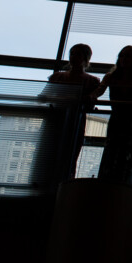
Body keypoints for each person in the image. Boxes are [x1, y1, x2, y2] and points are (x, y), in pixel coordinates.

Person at [92, 45, 132, 187]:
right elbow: (99, 90)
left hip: (130, 123)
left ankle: (125, 187)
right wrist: (92, 96)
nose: (124, 59)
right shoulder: (111, 76)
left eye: (128, 56)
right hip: (119, 121)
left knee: (129, 156)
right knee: (114, 155)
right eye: (122, 56)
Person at [38, 43, 100, 183]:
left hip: (71, 121)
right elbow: (44, 96)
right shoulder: (88, 81)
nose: (73, 57)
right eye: (72, 53)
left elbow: (44, 97)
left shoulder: (90, 81)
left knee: (66, 155)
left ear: (85, 58)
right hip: (62, 119)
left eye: (77, 54)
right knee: (53, 154)